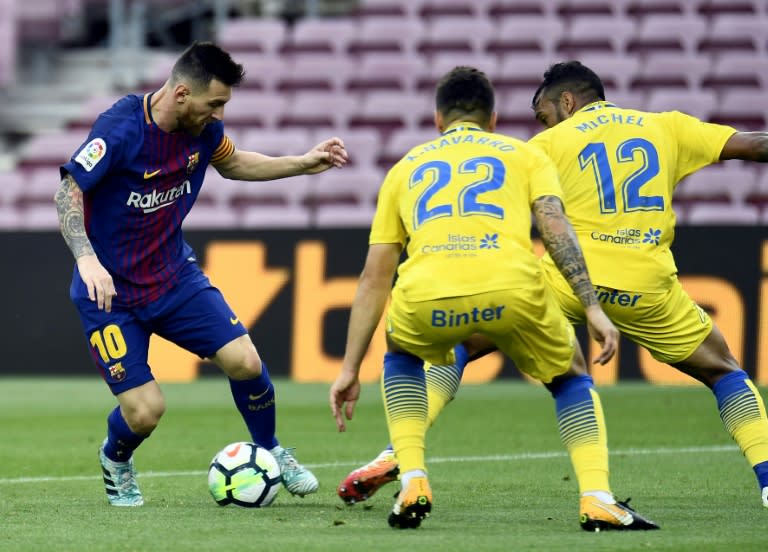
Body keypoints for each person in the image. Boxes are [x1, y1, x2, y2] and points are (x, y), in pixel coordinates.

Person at [338, 60, 768, 513]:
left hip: (564, 280)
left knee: (462, 343)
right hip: (648, 285)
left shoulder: (546, 145)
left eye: (543, 114)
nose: (541, 123)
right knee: (724, 371)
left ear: (566, 102)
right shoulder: (668, 127)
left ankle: (400, 454)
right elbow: (755, 145)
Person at [54, 41, 349, 507]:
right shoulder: (121, 128)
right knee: (146, 412)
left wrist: (302, 163)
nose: (219, 113)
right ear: (182, 95)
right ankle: (115, 459)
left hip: (174, 278)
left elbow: (232, 163)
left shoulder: (204, 131)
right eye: (215, 103)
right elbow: (69, 188)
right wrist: (86, 258)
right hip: (110, 295)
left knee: (245, 361)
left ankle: (272, 451)